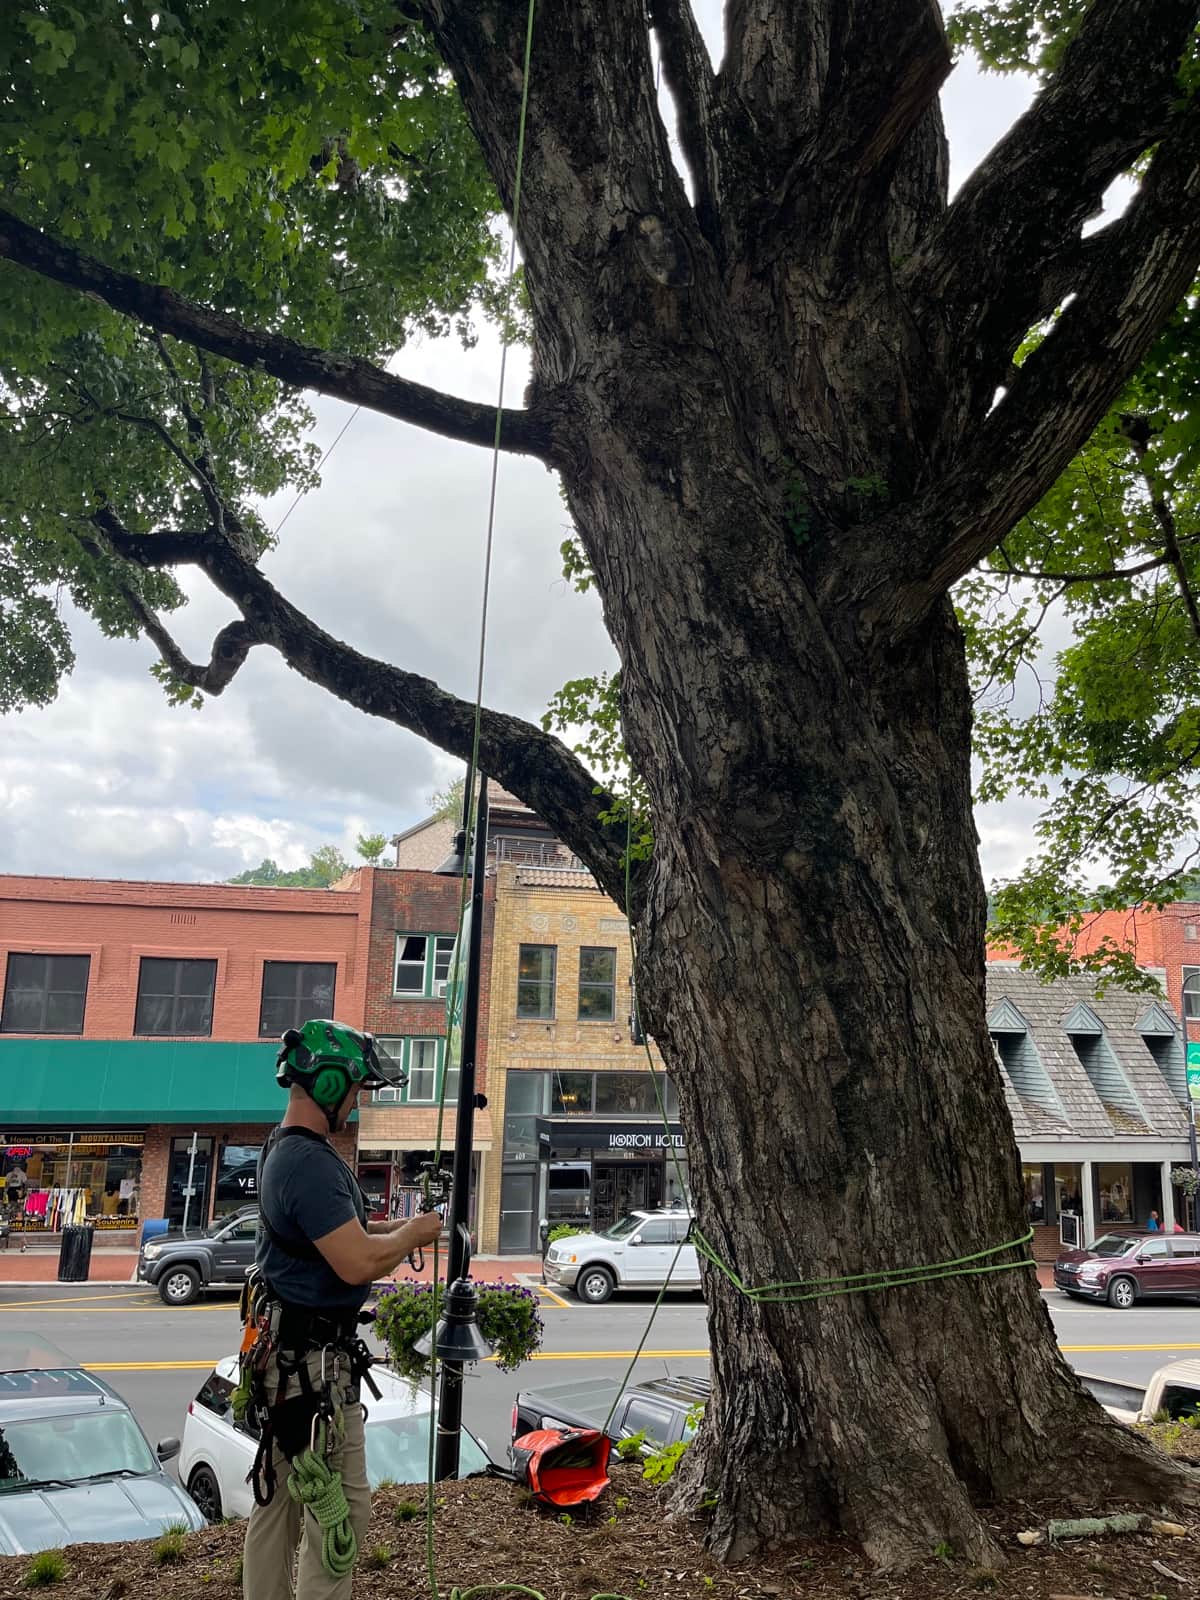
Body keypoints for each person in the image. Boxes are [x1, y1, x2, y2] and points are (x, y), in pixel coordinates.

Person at [241, 1020, 443, 1600]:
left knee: (275, 1505)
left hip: (285, 1366)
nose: (357, 1104)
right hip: (314, 1377)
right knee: (341, 1518)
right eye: (355, 1090)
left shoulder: (287, 1151)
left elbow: (342, 1235)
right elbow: (355, 1262)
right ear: (330, 1085)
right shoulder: (310, 1165)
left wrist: (406, 1228)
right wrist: (416, 1234)